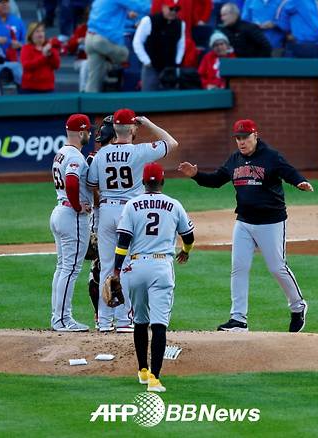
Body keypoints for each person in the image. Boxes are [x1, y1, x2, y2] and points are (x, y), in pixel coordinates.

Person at [178, 119, 313, 333]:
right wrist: (196, 175)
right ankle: (238, 320)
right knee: (238, 268)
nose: (241, 142)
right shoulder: (234, 159)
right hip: (243, 222)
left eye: (245, 137)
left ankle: (298, 306)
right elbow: (216, 180)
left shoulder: (271, 156)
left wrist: (300, 182)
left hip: (271, 222)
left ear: (255, 136)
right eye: (238, 138)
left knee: (277, 267)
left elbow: (289, 172)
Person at [86, 108, 179, 333]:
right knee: (127, 266)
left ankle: (104, 321)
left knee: (107, 266)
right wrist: (148, 123)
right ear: (132, 128)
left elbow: (91, 184)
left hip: (106, 211)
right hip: (130, 212)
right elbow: (172, 143)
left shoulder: (100, 154)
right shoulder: (140, 151)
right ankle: (125, 320)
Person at [113, 162, 195, 393]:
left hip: (136, 266)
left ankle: (141, 370)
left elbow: (122, 242)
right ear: (162, 181)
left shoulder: (131, 205)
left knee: (140, 320)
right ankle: (155, 379)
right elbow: (188, 236)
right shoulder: (173, 204)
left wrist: (117, 270)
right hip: (161, 266)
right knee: (159, 324)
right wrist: (186, 252)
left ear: (142, 182)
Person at [50, 114, 95, 332]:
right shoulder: (75, 156)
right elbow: (71, 181)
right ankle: (62, 319)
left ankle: (58, 317)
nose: (90, 134)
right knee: (70, 269)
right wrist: (78, 206)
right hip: (71, 215)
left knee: (62, 268)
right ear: (80, 132)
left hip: (59, 211)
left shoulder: (61, 153)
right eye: (88, 130)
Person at [84, 0, 150, 92]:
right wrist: (161, 6)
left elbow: (108, 12)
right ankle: (108, 67)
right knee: (130, 57)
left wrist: (127, 14)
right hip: (103, 41)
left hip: (89, 39)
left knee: (94, 79)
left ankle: (89, 101)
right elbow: (143, 7)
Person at [86, 115, 115, 328]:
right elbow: (92, 188)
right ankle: (100, 316)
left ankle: (104, 315)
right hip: (99, 215)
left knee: (103, 266)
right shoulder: (96, 158)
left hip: (102, 213)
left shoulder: (95, 157)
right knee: (100, 267)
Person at [132, 0, 186, 91]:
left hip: (170, 67)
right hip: (151, 67)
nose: (173, 12)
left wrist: (177, 61)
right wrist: (146, 60)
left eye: (176, 9)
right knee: (148, 96)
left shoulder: (181, 24)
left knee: (170, 97)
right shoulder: (148, 20)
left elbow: (181, 44)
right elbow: (137, 42)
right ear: (164, 7)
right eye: (171, 8)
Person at [20, 22, 60, 93]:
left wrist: (51, 54)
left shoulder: (50, 47)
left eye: (42, 31)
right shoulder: (26, 48)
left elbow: (56, 65)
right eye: (37, 31)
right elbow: (27, 66)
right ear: (31, 35)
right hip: (30, 88)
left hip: (48, 88)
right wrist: (43, 57)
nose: (40, 33)